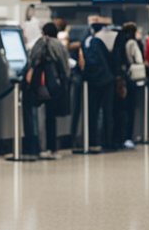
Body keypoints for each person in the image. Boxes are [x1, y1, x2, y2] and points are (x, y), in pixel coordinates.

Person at [22, 22, 70, 159]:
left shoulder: (38, 43)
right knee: (51, 116)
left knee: (35, 116)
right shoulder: (58, 45)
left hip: (38, 84)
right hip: (53, 85)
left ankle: (36, 148)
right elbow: (65, 66)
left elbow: (31, 61)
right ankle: (51, 148)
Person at [81, 18, 116, 153]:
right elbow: (109, 59)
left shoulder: (88, 42)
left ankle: (93, 141)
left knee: (93, 113)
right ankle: (108, 141)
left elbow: (87, 62)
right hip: (107, 80)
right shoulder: (99, 41)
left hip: (94, 81)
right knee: (108, 112)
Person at [113, 22, 146, 149]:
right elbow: (138, 59)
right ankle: (128, 137)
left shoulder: (119, 41)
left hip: (121, 79)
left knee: (121, 109)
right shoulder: (132, 43)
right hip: (131, 79)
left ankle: (119, 137)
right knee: (130, 109)